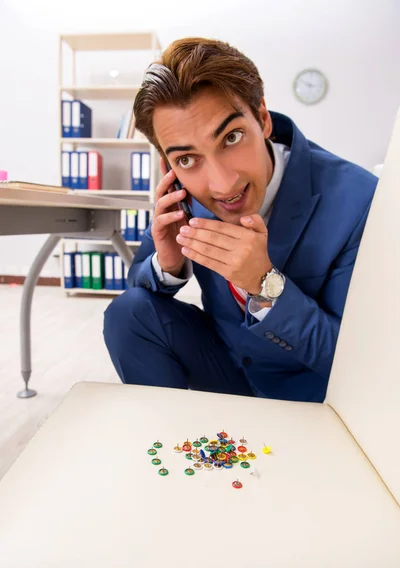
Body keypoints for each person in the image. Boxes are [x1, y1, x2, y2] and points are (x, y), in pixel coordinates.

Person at [103, 37, 377, 403]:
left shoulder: (360, 201)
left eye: (231, 137)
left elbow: (360, 365)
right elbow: (138, 283)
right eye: (187, 159)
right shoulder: (184, 198)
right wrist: (167, 264)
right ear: (168, 164)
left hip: (311, 394)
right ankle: (169, 439)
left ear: (262, 118)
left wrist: (264, 286)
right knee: (129, 313)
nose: (222, 184)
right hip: (228, 369)